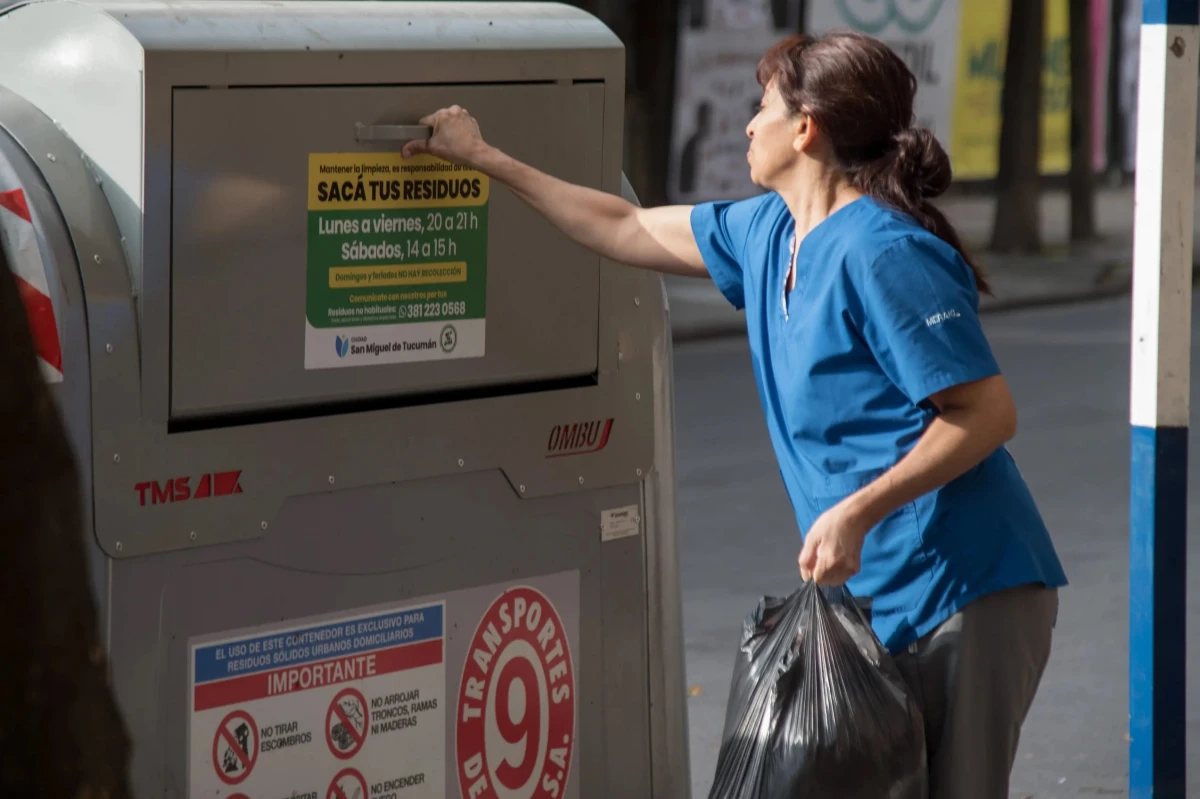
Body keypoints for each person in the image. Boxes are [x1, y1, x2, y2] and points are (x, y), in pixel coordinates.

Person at [403, 30, 1068, 798]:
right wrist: (484, 158)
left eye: (763, 108)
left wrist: (858, 510)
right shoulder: (766, 234)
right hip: (869, 593)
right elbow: (622, 225)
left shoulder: (884, 252)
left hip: (964, 588)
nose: (749, 125)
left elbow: (985, 412)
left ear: (806, 127)